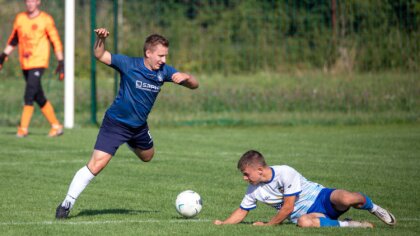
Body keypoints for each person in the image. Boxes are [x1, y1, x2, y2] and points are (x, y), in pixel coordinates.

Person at [55, 28, 199, 219]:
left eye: (165, 56)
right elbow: (100, 54)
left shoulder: (165, 71)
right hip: (116, 124)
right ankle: (66, 204)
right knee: (97, 164)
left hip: (138, 127)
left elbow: (195, 84)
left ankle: (131, 142)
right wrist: (100, 39)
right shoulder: (128, 64)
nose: (163, 60)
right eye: (160, 56)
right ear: (148, 53)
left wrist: (187, 78)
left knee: (148, 156)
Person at [214, 150, 396, 228]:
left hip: (323, 198)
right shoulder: (253, 189)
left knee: (347, 199)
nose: (244, 178)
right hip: (310, 216)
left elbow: (288, 207)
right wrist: (224, 223)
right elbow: (242, 211)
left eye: (246, 174)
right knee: (303, 223)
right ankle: (353, 225)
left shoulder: (285, 172)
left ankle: (373, 208)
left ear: (259, 169)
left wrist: (269, 225)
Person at [0, 0, 64, 138]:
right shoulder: (20, 19)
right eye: (27, 1)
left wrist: (61, 61)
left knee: (29, 93)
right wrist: (3, 56)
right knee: (38, 96)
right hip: (25, 63)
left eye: (32, 1)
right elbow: (13, 39)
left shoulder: (45, 19)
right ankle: (56, 126)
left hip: (39, 62)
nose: (29, 3)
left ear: (38, 2)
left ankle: (23, 129)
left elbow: (55, 41)